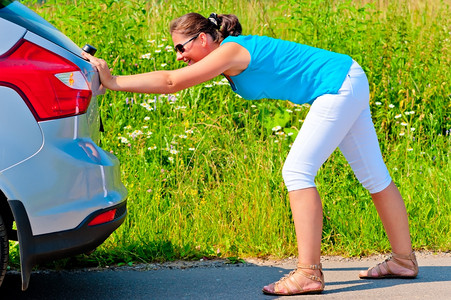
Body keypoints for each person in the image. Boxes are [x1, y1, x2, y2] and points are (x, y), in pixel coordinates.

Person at [83, 12, 419, 296]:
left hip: (337, 83)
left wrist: (113, 81)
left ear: (203, 39)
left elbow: (172, 81)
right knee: (373, 176)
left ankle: (309, 274)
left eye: (180, 48)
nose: (178, 55)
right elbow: (174, 76)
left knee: (297, 172)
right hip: (346, 78)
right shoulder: (226, 59)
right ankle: (403, 260)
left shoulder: (231, 51)